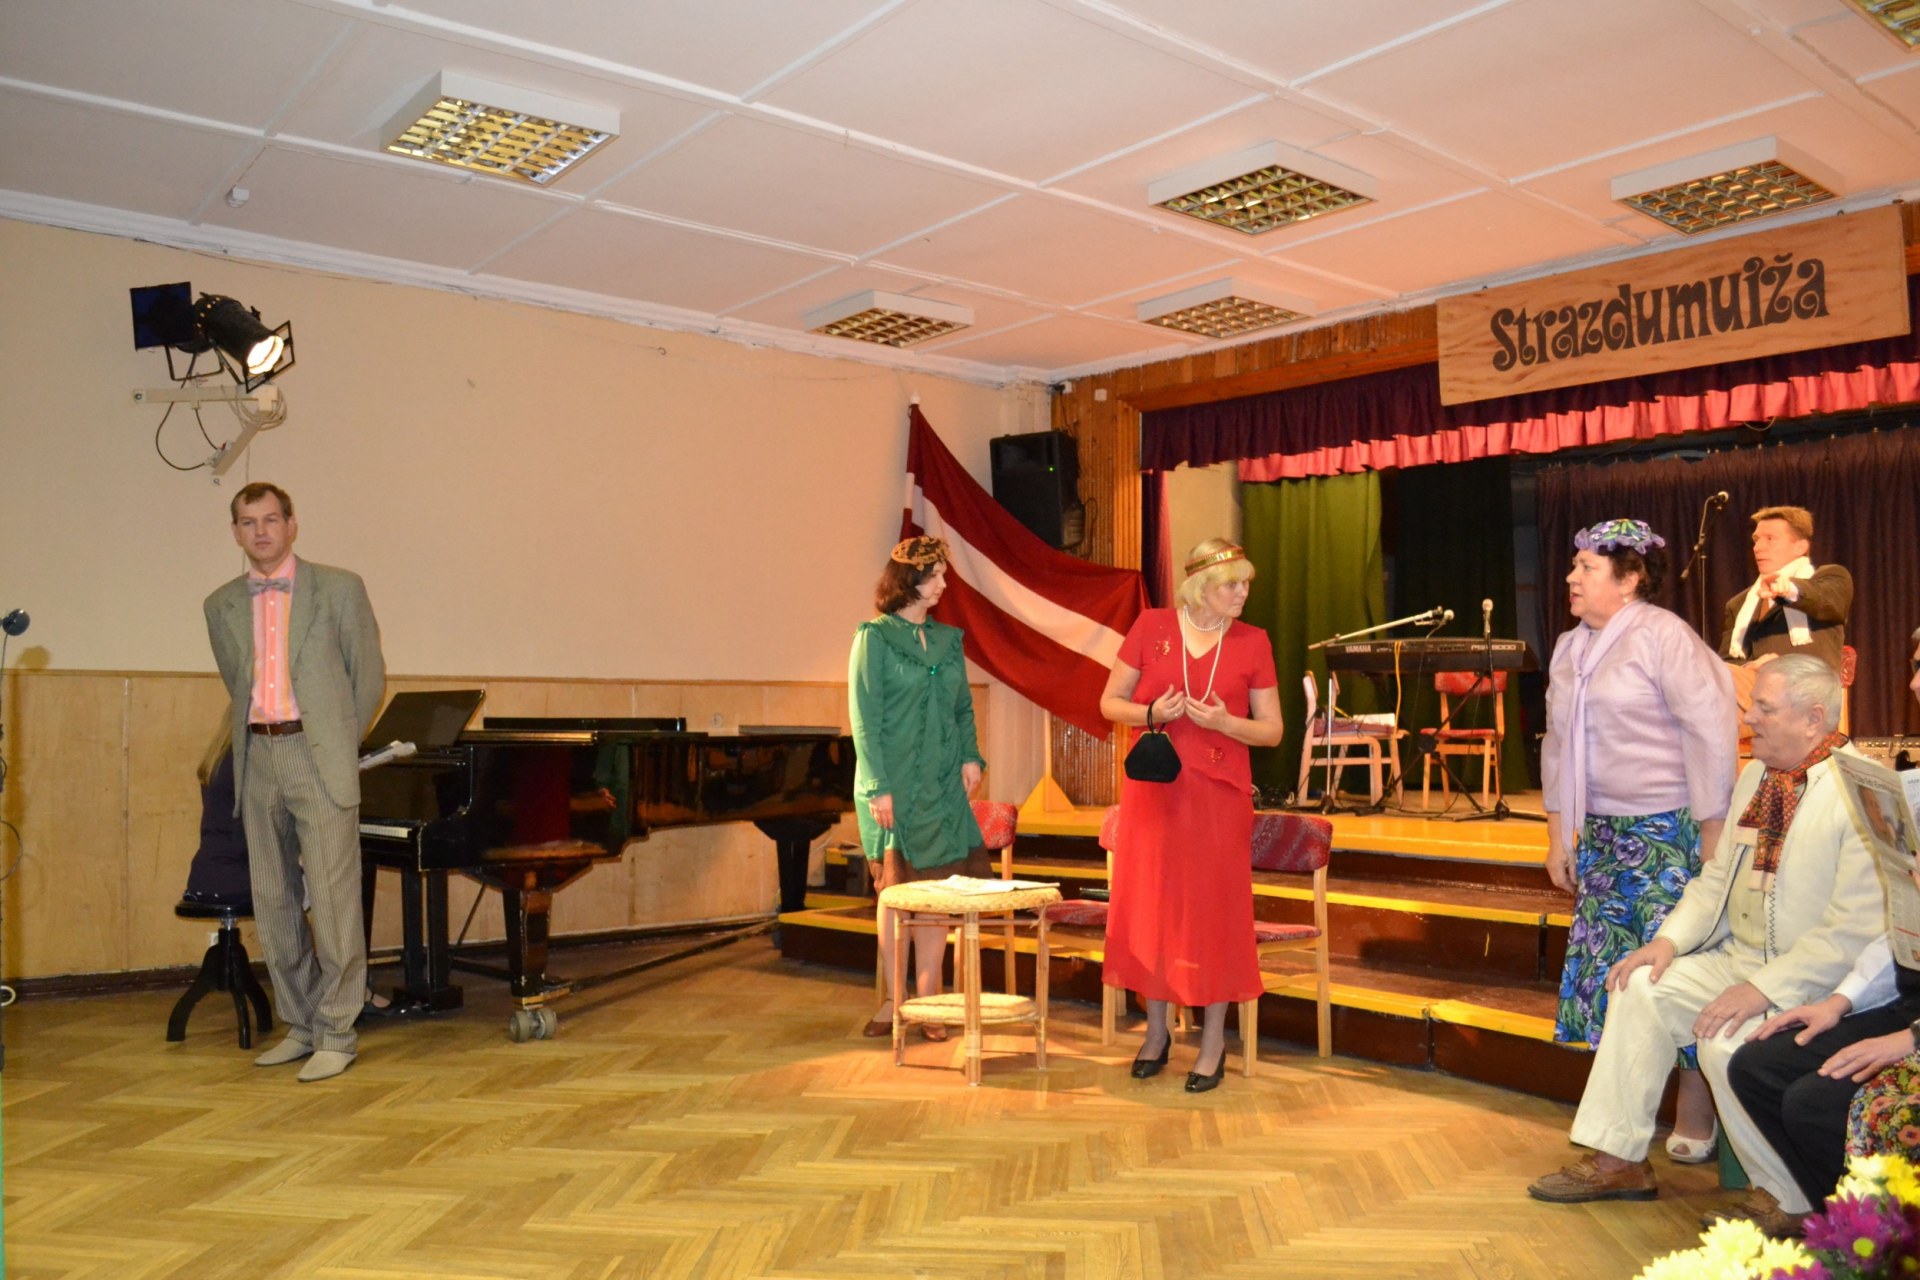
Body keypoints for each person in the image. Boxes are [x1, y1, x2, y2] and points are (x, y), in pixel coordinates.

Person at [1528, 657, 1883, 1219]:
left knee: (1724, 1042)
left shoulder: (1860, 790)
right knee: (1640, 984)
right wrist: (1668, 942)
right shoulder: (1757, 775)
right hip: (1736, 958)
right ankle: (1619, 1159)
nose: (1749, 717)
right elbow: (1716, 877)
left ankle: (1784, 1196)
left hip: (1811, 982)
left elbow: (1852, 931)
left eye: (1764, 707)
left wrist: (1762, 989)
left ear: (1813, 719)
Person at [1540, 518, 1738, 1159]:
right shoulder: (1570, 647)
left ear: (1628, 581)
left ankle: (1696, 1115)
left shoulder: (1663, 636)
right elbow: (1556, 745)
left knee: (1671, 971)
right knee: (1614, 975)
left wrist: (1712, 833)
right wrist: (1557, 834)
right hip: (1603, 836)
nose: (1571, 577)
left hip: (1668, 833)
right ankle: (1626, 1119)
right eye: (1574, 566)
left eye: (1587, 568)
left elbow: (1711, 731)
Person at [1724, 626, 1920, 1220]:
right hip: (1908, 996)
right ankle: (1841, 1227)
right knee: (1757, 1067)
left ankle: (1876, 1241)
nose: (1913, 683)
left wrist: (1910, 1041)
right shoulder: (1910, 786)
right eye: (1915, 665)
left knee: (1813, 1101)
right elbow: (1901, 924)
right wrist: (1840, 1001)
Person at [205, 482, 385, 1082]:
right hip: (257, 756)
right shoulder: (219, 605)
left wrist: (336, 741)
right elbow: (237, 683)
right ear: (236, 532)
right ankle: (302, 1023)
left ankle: (338, 1031)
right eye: (248, 522)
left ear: (291, 524)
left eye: (271, 519)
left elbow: (367, 678)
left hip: (318, 754)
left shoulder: (339, 588)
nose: (260, 531)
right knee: (275, 899)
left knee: (333, 900)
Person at [1097, 538, 1283, 1093]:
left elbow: (1272, 730)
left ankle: (1212, 1044)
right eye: (1233, 584)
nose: (1243, 593)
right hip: (1155, 794)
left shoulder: (1253, 641)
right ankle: (1156, 1034)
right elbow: (1110, 702)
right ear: (1201, 588)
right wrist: (1151, 712)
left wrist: (1226, 723)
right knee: (1153, 910)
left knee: (1214, 914)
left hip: (1219, 798)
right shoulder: (1151, 626)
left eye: (1246, 583)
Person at [849, 536, 987, 1043]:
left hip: (941, 783)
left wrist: (971, 756)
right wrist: (877, 786)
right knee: (896, 893)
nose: (944, 584)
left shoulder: (949, 641)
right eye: (936, 576)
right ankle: (894, 1000)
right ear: (909, 580)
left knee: (937, 891)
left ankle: (930, 1000)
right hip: (892, 784)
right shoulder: (874, 638)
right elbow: (864, 718)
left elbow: (962, 707)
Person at [1719, 506, 1852, 721]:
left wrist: (1788, 588)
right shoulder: (1739, 604)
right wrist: (1752, 666)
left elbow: (1823, 598)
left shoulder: (1830, 578)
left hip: (1810, 695)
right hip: (1757, 696)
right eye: (1756, 540)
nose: (1758, 547)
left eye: (1770, 539)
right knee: (1712, 679)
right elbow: (1729, 661)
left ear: (1800, 547)